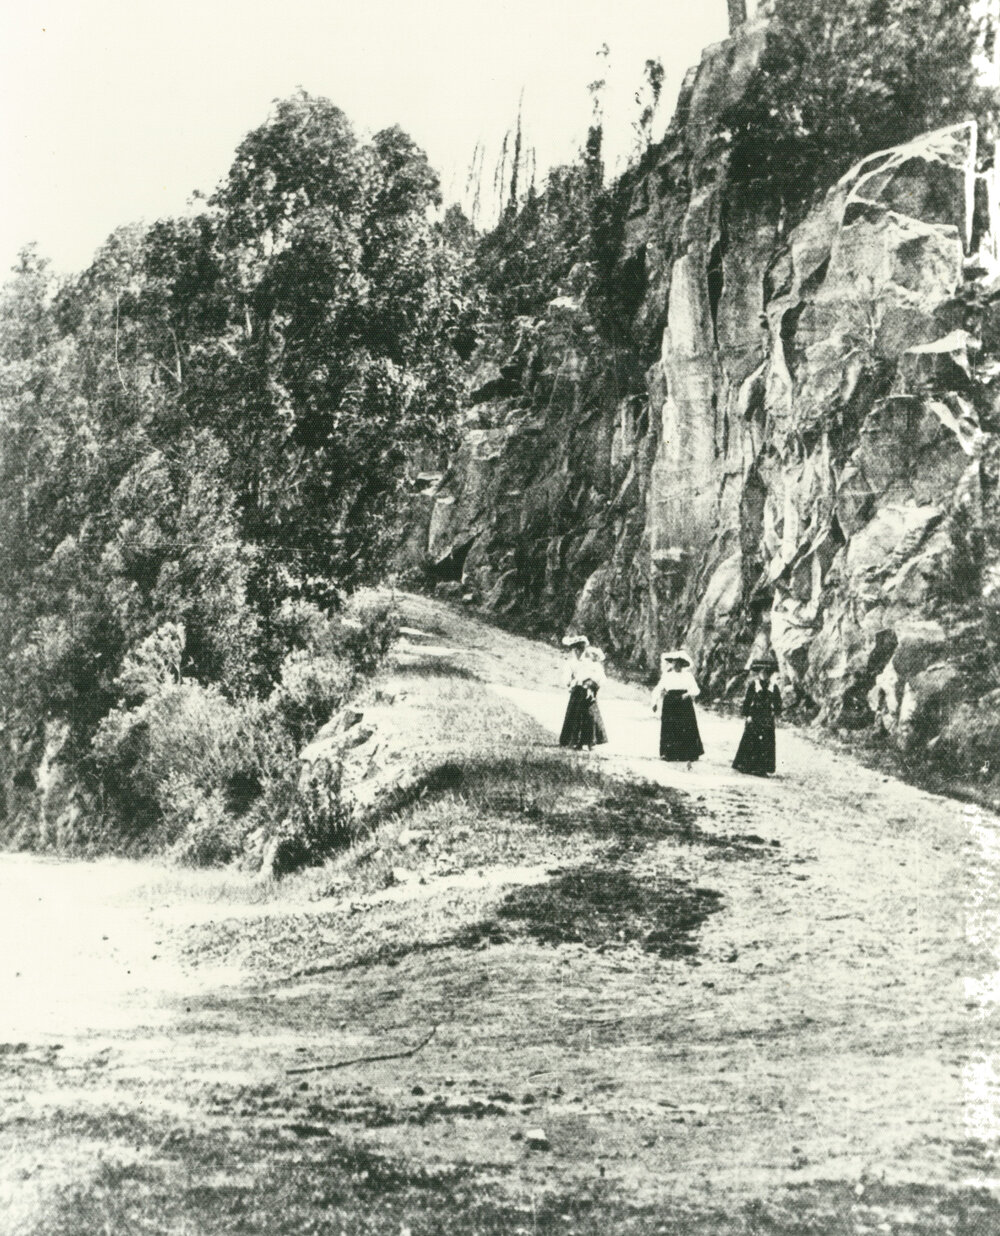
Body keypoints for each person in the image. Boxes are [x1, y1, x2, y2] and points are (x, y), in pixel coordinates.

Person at [732, 656, 782, 776]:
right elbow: (747, 701)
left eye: (767, 673)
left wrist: (776, 712)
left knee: (766, 741)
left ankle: (762, 768)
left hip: (767, 717)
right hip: (755, 715)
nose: (764, 675)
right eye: (762, 673)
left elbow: (778, 702)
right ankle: (746, 765)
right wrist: (747, 715)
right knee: (750, 738)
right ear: (759, 673)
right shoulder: (754, 685)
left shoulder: (773, 687)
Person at [651, 650, 704, 762]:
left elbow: (696, 689)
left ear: (682, 664)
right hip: (670, 703)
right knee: (669, 727)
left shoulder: (688, 676)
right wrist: (654, 702)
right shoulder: (667, 676)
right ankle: (668, 753)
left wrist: (688, 694)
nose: (676, 665)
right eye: (674, 663)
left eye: (678, 663)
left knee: (686, 726)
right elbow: (658, 689)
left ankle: (687, 754)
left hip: (684, 702)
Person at [558, 636, 609, 751]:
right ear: (573, 650)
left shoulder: (589, 662)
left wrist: (591, 685)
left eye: (581, 649)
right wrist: (572, 683)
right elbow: (566, 679)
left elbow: (599, 677)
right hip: (577, 692)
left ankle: (590, 741)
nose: (578, 652)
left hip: (590, 691)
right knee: (574, 715)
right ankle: (572, 740)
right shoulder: (570, 663)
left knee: (590, 715)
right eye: (576, 649)